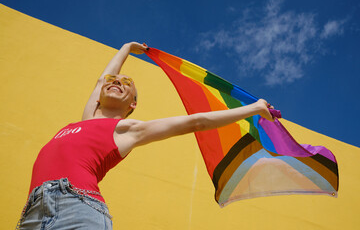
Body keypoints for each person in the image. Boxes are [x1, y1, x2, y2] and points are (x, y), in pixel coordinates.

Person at [17, 42, 274, 229]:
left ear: (132, 105)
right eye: (112, 80)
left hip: (77, 207)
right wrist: (126, 48)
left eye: (127, 84)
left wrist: (253, 108)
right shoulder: (87, 120)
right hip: (34, 211)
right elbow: (99, 81)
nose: (116, 82)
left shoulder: (127, 131)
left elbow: (196, 122)